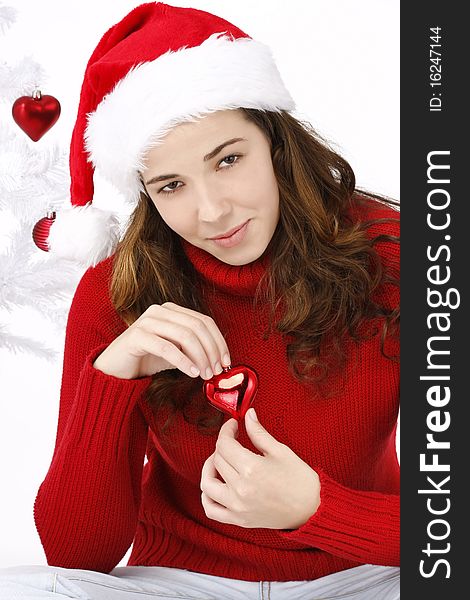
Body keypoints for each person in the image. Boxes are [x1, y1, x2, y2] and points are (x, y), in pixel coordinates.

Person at [0, 2, 400, 599]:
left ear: (275, 142)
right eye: (172, 186)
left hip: (365, 573)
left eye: (229, 160)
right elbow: (75, 556)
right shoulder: (118, 294)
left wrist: (318, 509)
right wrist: (115, 373)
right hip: (180, 583)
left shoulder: (395, 260)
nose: (212, 212)